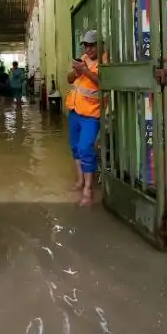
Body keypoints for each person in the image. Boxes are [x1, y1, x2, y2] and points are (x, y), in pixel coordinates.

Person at [66, 30, 102, 206]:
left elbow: (103, 83)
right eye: (86, 46)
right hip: (74, 112)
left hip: (91, 114)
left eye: (91, 45)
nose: (88, 49)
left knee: (85, 148)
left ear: (99, 44)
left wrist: (86, 71)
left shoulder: (105, 61)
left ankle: (88, 190)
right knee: (75, 147)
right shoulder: (83, 59)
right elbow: (69, 79)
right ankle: (80, 181)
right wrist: (76, 71)